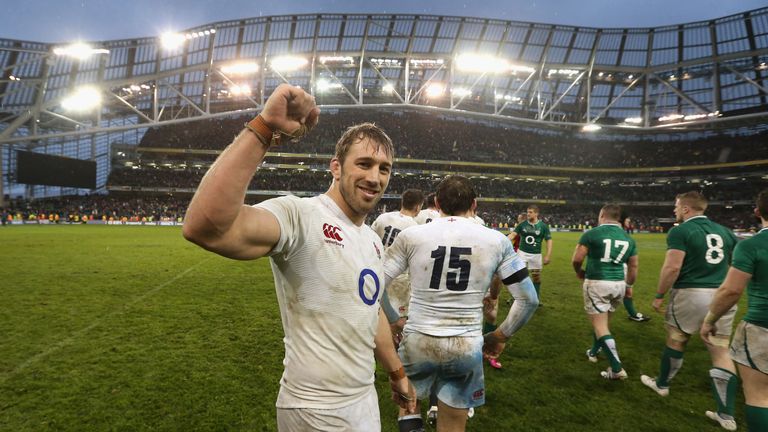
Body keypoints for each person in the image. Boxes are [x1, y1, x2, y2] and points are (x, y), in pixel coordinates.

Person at [182, 83, 416, 431]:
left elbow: (371, 312)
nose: (374, 177)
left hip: (364, 399)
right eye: (364, 164)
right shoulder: (300, 215)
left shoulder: (372, 240)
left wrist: (396, 373)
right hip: (314, 409)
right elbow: (206, 227)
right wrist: (263, 127)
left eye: (384, 168)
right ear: (335, 167)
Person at [382, 175, 539, 432]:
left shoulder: (412, 235)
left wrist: (394, 319)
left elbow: (374, 285)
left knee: (409, 405)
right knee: (454, 425)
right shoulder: (496, 240)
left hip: (418, 337)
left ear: (436, 203)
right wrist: (500, 335)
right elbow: (529, 299)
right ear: (474, 205)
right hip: (466, 343)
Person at [640, 191, 739, 431]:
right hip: (721, 295)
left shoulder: (680, 231)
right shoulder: (726, 232)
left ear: (686, 209)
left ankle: (662, 385)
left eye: (676, 206)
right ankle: (726, 415)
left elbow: (673, 267)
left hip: (690, 294)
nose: (674, 210)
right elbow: (735, 266)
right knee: (721, 352)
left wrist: (659, 295)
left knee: (677, 339)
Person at [700, 189, 768, 432]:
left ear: (757, 211)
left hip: (763, 325)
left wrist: (709, 320)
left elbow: (730, 291)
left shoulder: (752, 246)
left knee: (760, 395)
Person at [572, 204, 638, 380]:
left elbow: (577, 259)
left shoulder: (591, 234)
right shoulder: (628, 238)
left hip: (598, 281)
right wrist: (628, 285)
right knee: (604, 322)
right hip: (619, 284)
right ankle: (593, 351)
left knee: (599, 325)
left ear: (602, 215)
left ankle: (617, 369)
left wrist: (579, 272)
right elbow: (633, 266)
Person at [372, 188, 423, 332]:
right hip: (398, 279)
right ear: (418, 206)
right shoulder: (415, 228)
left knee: (376, 315)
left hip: (376, 271)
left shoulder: (383, 218)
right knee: (395, 322)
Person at [508, 205, 552, 302]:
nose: (528, 214)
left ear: (536, 213)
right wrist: (505, 241)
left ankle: (535, 298)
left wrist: (548, 255)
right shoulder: (522, 225)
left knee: (536, 277)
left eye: (531, 212)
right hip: (522, 253)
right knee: (519, 276)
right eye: (527, 212)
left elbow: (548, 240)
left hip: (536, 255)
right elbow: (513, 235)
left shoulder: (543, 226)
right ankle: (516, 298)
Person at [620, 211, 651, 323]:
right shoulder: (623, 236)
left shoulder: (623, 234)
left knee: (627, 292)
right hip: (620, 267)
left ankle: (632, 314)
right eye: (627, 220)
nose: (629, 222)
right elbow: (633, 262)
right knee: (626, 291)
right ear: (622, 221)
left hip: (620, 266)